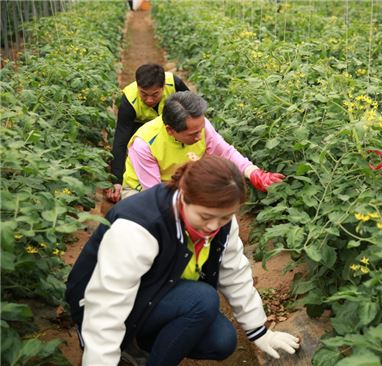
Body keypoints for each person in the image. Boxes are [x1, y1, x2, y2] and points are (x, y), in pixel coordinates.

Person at [65, 156, 300, 365]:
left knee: (222, 341)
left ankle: (142, 343)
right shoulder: (139, 226)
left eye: (225, 217)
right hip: (98, 301)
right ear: (184, 196)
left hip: (156, 291)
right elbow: (107, 301)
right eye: (205, 217)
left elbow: (235, 272)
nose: (213, 227)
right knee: (202, 299)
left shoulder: (222, 223)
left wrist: (259, 331)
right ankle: (126, 341)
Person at [120, 90, 284, 199]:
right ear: (171, 130)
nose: (200, 136)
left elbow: (225, 152)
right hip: (142, 192)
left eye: (201, 129)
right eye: (193, 134)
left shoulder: (200, 126)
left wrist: (254, 173)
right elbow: (155, 194)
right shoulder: (145, 144)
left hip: (183, 185)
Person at [107, 64, 190, 202]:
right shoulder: (128, 99)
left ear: (163, 87)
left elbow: (192, 111)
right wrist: (117, 180)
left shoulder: (175, 84)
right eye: (144, 94)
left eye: (155, 94)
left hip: (169, 125)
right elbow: (121, 140)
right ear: (138, 86)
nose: (149, 100)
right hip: (139, 128)